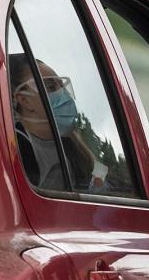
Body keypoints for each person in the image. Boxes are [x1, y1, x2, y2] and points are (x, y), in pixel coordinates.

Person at [9, 53, 107, 193]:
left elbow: (101, 185)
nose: (63, 93)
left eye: (61, 85)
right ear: (24, 100)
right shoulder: (17, 149)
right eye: (50, 87)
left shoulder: (71, 142)